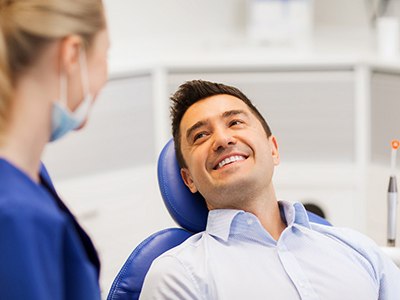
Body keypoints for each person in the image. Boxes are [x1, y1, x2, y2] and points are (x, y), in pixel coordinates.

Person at [140, 80, 400, 299]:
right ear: (189, 180)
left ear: (273, 149)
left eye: (235, 123)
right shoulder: (178, 275)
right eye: (201, 136)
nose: (222, 139)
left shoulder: (357, 249)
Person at [0, 0, 109, 299]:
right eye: (105, 54)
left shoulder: (30, 179)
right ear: (72, 54)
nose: (105, 75)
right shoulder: (15, 215)